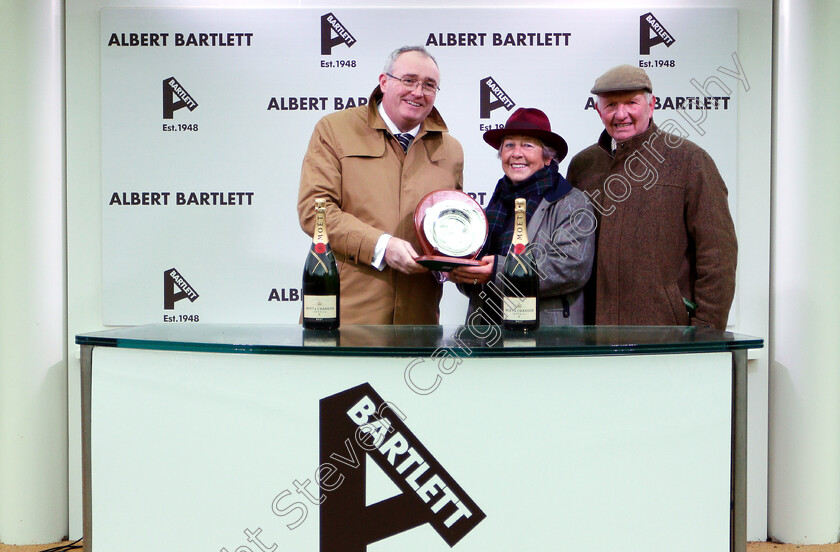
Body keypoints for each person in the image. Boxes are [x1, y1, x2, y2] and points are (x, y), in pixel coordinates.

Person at [297, 46, 463, 325]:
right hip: (347, 317)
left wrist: (455, 259)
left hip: (419, 321)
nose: (418, 92)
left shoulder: (452, 149)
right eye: (408, 80)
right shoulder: (334, 130)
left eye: (429, 85)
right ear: (384, 82)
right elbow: (316, 213)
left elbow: (452, 226)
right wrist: (382, 246)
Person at [566, 64, 737, 330]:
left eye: (631, 103)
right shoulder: (582, 165)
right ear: (598, 110)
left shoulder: (690, 161)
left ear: (651, 104)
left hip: (668, 335)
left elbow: (717, 254)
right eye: (610, 105)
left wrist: (706, 331)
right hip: (593, 337)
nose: (621, 114)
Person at [449, 108, 595, 325]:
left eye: (527, 145)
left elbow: (571, 268)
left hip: (545, 337)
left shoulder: (572, 202)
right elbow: (479, 266)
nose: (516, 153)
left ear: (548, 158)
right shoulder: (497, 201)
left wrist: (497, 271)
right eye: (509, 145)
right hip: (487, 329)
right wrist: (463, 273)